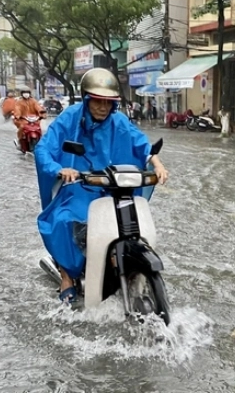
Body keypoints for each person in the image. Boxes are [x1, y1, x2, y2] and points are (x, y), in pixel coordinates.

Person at [34, 68, 169, 304]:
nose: (102, 107)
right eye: (97, 101)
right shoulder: (70, 118)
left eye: (108, 102)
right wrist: (60, 169)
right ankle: (67, 275)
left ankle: (119, 262)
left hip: (112, 187)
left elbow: (140, 143)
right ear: (87, 98)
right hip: (79, 186)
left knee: (130, 221)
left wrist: (157, 164)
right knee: (65, 219)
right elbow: (44, 148)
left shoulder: (119, 121)